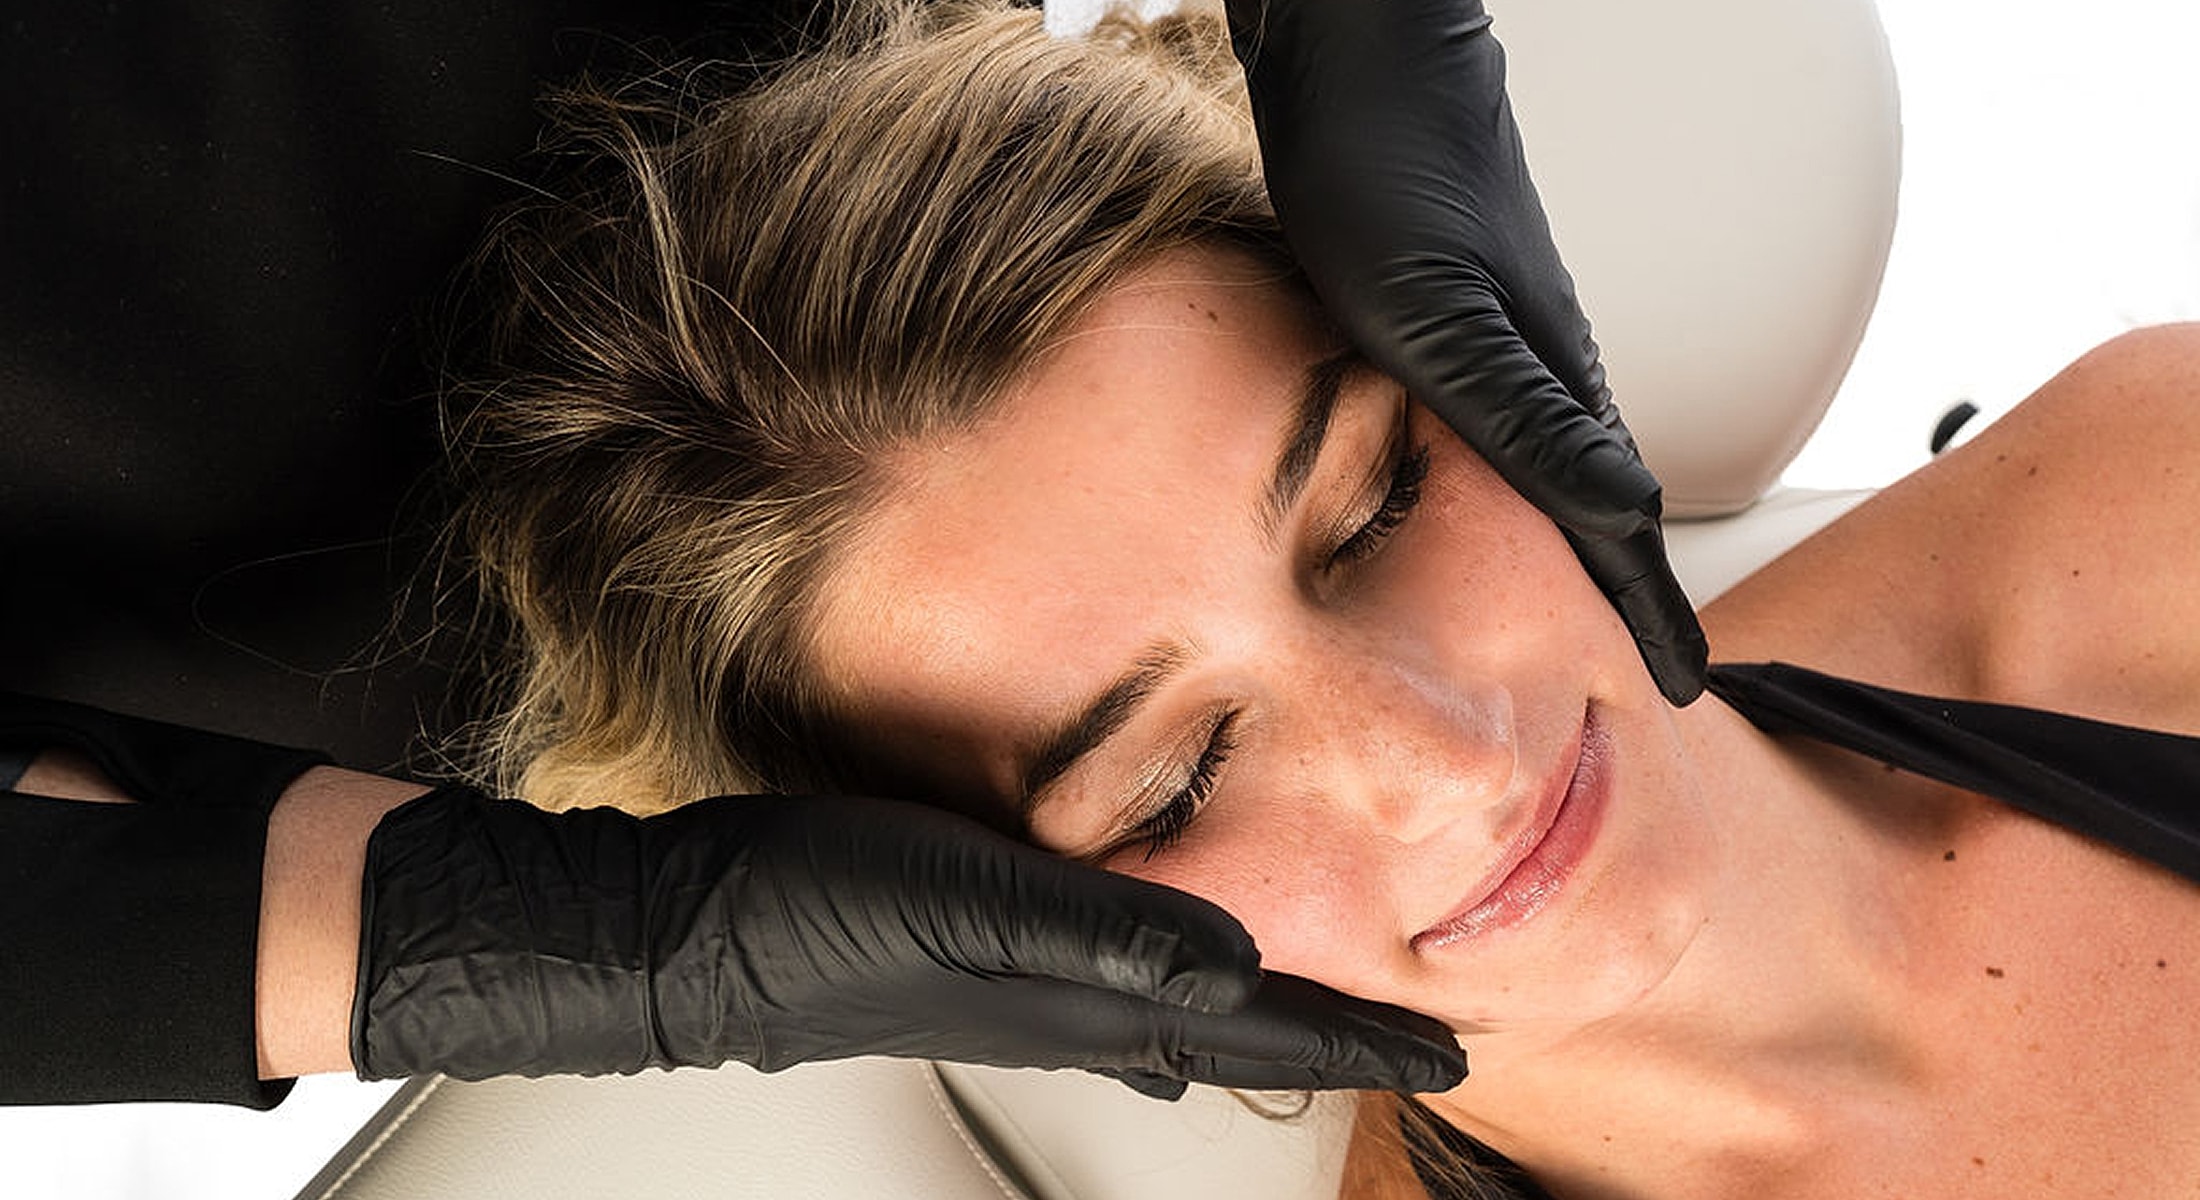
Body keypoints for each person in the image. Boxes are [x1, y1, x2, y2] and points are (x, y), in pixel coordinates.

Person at [392, 2, 2197, 1197]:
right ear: (1005, 936)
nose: (1446, 761)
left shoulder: (2150, 503)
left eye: (1377, 505)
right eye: (1178, 782)